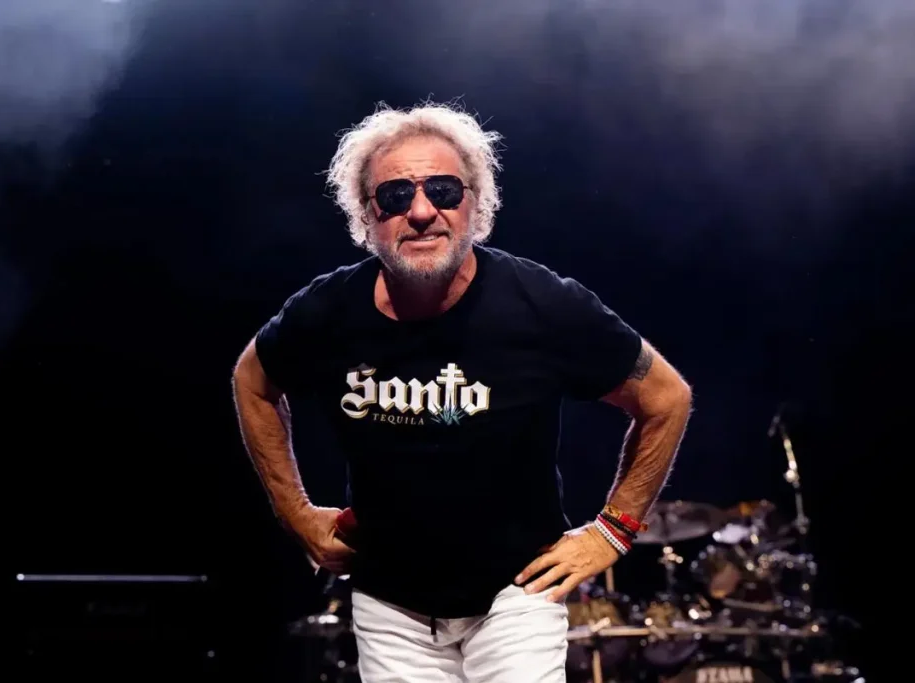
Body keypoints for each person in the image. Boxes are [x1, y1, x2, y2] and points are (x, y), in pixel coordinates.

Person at [232, 101, 693, 682]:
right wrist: (294, 513)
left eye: (445, 191)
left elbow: (666, 398)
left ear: (476, 205)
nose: (422, 211)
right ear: (366, 216)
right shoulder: (328, 310)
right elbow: (251, 381)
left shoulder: (541, 303)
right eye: (396, 196)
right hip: (389, 603)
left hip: (517, 596)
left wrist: (613, 532)